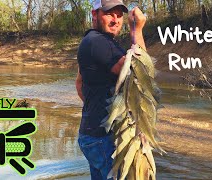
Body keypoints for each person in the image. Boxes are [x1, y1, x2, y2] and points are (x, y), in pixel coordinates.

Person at [75, 0, 147, 179]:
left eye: (119, 15)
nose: (116, 19)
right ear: (94, 14)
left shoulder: (92, 41)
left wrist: (100, 108)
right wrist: (136, 29)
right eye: (109, 13)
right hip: (103, 139)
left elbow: (79, 83)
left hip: (91, 135)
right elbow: (142, 72)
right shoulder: (98, 42)